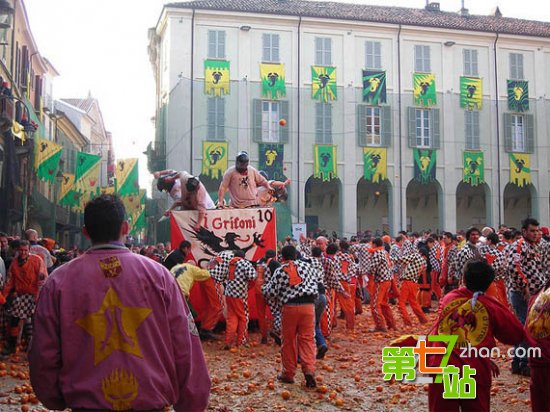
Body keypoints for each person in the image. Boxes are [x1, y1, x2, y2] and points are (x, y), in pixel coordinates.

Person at [28, 194, 210, 411]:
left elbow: (43, 352)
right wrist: (191, 404)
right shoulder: (160, 276)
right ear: (125, 228)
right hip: (151, 403)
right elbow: (185, 343)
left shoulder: (58, 281)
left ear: (86, 232)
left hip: (85, 406)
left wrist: (54, 398)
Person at [427, 259, 525, 412]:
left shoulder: (448, 298)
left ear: (463, 279)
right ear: (490, 283)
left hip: (442, 366)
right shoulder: (491, 306)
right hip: (473, 370)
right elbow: (516, 334)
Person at [262, 245, 319, 388]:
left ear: (282, 257)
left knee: (288, 341)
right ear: (296, 255)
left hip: (290, 308)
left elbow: (271, 292)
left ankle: (288, 373)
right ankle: (309, 370)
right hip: (308, 307)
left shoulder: (281, 270)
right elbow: (317, 284)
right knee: (307, 339)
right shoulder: (308, 267)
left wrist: (263, 287)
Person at [507, 217, 547, 376]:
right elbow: (514, 268)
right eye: (532, 231)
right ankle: (524, 363)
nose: (536, 233)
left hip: (537, 293)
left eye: (537, 231)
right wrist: (525, 288)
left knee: (526, 327)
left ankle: (517, 361)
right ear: (524, 231)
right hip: (523, 294)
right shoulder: (519, 246)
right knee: (527, 329)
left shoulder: (535, 247)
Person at [1, 240, 47, 354]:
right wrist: (4, 297)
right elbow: (10, 281)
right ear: (17, 250)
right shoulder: (14, 263)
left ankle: (33, 348)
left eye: (25, 250)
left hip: (33, 295)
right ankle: (12, 346)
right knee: (14, 319)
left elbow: (43, 277)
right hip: (20, 295)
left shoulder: (37, 260)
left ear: (29, 250)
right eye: (21, 250)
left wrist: (39, 296)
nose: (23, 252)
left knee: (32, 322)